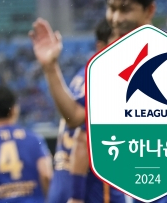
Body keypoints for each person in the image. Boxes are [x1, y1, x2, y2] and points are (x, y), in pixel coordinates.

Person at [30, 0, 167, 203]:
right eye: (112, 8)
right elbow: (76, 117)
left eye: (125, 9)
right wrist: (50, 68)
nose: (116, 18)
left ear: (150, 10)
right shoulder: (108, 62)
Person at [48, 19, 123, 203]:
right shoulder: (110, 80)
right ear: (101, 46)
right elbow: (83, 140)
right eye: (120, 40)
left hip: (62, 183)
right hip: (91, 191)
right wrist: (76, 197)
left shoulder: (82, 75)